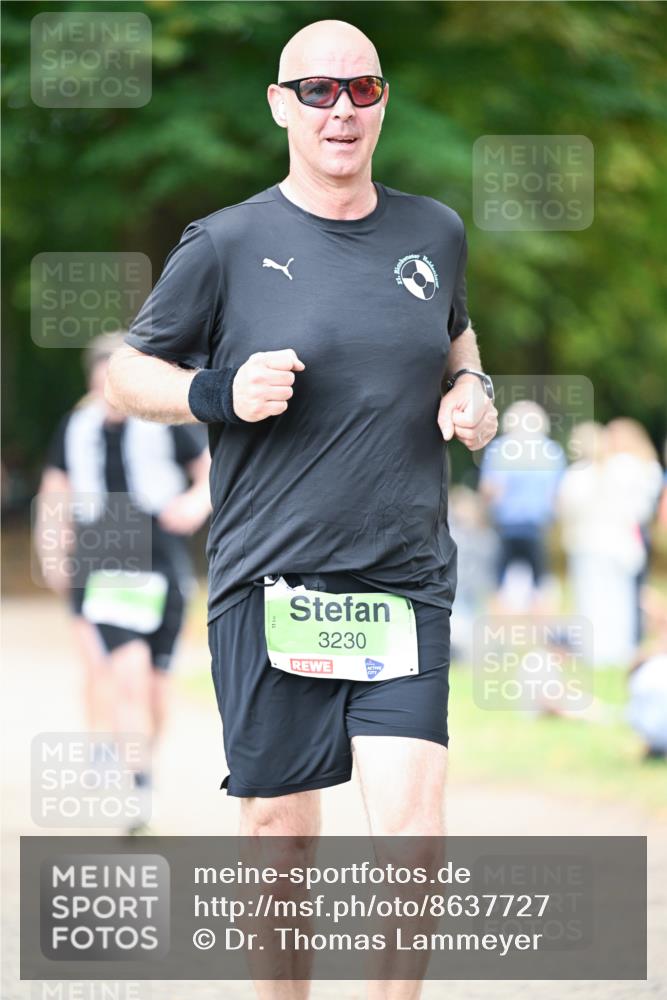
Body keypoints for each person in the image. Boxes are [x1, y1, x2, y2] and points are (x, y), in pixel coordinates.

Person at [106, 19, 497, 997]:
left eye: (361, 89)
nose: (341, 110)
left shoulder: (434, 231)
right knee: (279, 833)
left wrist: (472, 387)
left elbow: (454, 331)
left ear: (382, 102)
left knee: (413, 832)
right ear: (281, 105)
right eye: (318, 91)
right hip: (269, 583)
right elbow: (126, 374)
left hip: (403, 577)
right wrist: (217, 391)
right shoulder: (227, 243)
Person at [36, 332, 211, 832]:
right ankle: (131, 782)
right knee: (119, 671)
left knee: (156, 689)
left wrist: (195, 503)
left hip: (161, 558)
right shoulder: (76, 428)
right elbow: (55, 490)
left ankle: (140, 765)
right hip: (102, 559)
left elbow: (210, 473)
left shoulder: (164, 423)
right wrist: (53, 551)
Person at [479, 401, 565, 613]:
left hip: (505, 525)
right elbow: (557, 495)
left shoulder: (499, 449)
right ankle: (542, 629)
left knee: (499, 584)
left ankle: (500, 629)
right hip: (538, 525)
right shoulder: (551, 451)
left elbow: (490, 490)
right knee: (541, 585)